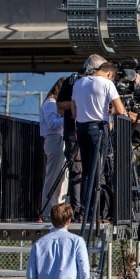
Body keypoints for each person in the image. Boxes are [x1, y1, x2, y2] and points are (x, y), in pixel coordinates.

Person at [72, 55, 137, 222]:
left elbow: (73, 108)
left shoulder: (79, 82)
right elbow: (120, 110)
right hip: (98, 128)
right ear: (109, 74)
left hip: (81, 127)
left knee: (86, 172)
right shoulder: (107, 83)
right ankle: (96, 212)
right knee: (98, 171)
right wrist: (112, 113)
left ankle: (84, 211)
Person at [39, 77, 69, 221]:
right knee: (53, 177)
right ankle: (47, 210)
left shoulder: (53, 103)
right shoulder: (51, 103)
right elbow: (52, 123)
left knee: (61, 177)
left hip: (58, 140)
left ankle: (57, 209)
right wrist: (68, 119)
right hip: (54, 139)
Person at [57, 72, 84, 221]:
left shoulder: (99, 83)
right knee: (75, 171)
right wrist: (75, 103)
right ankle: (76, 210)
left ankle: (93, 209)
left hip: (91, 132)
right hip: (73, 133)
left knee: (94, 173)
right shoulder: (72, 81)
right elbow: (59, 105)